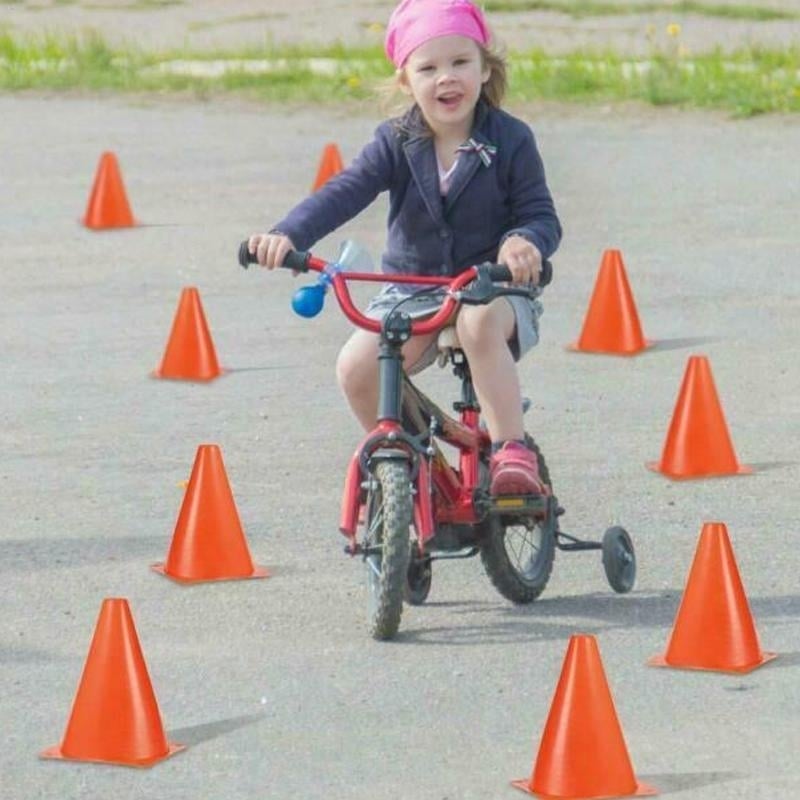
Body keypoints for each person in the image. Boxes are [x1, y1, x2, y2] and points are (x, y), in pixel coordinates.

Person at [248, 0, 562, 496]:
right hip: (413, 291)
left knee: (477, 324)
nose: (446, 79)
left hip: (492, 290)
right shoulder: (396, 140)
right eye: (429, 67)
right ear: (405, 81)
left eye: (460, 62)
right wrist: (289, 234)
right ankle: (418, 467)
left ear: (484, 68)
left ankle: (510, 450)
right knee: (356, 368)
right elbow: (345, 190)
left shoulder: (511, 140)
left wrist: (522, 242)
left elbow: (540, 215)